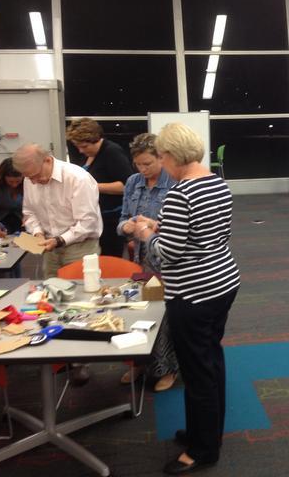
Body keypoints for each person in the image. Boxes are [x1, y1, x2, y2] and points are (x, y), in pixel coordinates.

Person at [131, 123, 240, 475]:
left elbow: (168, 253)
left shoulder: (181, 193)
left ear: (172, 155)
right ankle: (203, 433)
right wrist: (161, 225)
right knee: (210, 361)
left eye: (161, 157)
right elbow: (205, 232)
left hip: (194, 293)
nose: (161, 164)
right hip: (221, 282)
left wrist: (146, 233)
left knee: (197, 372)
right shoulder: (216, 182)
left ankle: (203, 450)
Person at [117, 133, 178, 392]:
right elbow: (122, 220)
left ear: (161, 159)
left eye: (148, 164)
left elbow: (180, 229)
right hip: (140, 260)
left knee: (166, 318)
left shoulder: (175, 183)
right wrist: (127, 227)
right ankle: (140, 363)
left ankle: (168, 369)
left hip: (167, 260)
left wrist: (154, 226)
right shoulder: (133, 183)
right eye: (138, 164)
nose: (142, 169)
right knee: (140, 312)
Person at [12, 143, 103, 279]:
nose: (34, 182)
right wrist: (37, 233)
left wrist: (59, 240)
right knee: (51, 289)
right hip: (49, 248)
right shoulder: (30, 179)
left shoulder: (78, 178)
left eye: (36, 175)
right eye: (29, 178)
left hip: (80, 247)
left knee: (81, 289)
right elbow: (29, 212)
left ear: (47, 160)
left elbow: (87, 222)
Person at [66, 118, 133, 257]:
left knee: (109, 259)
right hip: (94, 217)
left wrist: (92, 186)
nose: (80, 150)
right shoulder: (87, 154)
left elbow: (127, 185)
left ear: (95, 139)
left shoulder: (112, 152)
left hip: (110, 219)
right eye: (78, 146)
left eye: (84, 146)